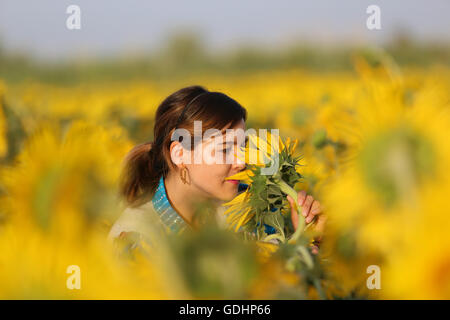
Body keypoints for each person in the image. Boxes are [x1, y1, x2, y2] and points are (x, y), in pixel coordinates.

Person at [108, 85, 325, 253]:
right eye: (225, 149)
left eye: (243, 147)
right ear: (180, 154)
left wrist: (307, 239)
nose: (242, 162)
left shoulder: (250, 213)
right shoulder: (135, 236)